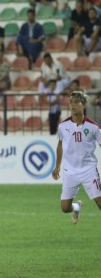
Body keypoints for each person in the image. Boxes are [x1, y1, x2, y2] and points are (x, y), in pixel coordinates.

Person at [52, 91, 101, 224]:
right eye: (71, 103)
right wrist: (57, 167)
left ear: (83, 105)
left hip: (89, 170)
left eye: (76, 103)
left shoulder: (93, 127)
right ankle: (77, 207)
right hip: (70, 171)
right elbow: (60, 145)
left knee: (100, 203)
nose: (73, 106)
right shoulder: (63, 126)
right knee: (65, 208)